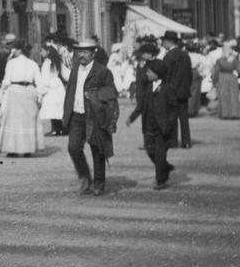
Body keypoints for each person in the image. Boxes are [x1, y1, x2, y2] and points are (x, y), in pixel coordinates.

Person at [63, 36, 119, 196]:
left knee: (97, 149)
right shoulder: (74, 70)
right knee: (73, 148)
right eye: (79, 51)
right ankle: (84, 178)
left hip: (95, 116)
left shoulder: (102, 71)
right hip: (77, 115)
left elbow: (111, 93)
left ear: (93, 53)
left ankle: (99, 183)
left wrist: (94, 95)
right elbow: (70, 92)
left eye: (85, 52)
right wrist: (66, 113)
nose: (81, 55)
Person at [126, 56, 178, 190]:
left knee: (160, 153)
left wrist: (170, 123)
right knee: (150, 151)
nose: (147, 74)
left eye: (149, 72)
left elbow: (174, 108)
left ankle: (161, 180)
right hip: (148, 124)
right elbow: (141, 104)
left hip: (163, 127)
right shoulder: (147, 87)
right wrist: (132, 118)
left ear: (157, 74)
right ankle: (164, 167)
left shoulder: (167, 88)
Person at [0, 39, 42, 156]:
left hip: (14, 91)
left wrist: (1, 94)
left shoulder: (11, 63)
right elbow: (39, 82)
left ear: (19, 50)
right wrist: (39, 96)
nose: (12, 51)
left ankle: (13, 149)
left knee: (13, 121)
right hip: (28, 91)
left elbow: (6, 81)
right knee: (27, 121)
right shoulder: (33, 64)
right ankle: (27, 149)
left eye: (14, 49)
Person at [159, 30, 195, 147]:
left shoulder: (168, 56)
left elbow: (166, 75)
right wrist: (187, 86)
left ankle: (172, 141)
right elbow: (189, 74)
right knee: (184, 118)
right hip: (183, 91)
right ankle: (186, 141)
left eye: (163, 41)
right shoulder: (185, 55)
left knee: (172, 117)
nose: (162, 44)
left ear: (168, 42)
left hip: (171, 91)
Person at [37, 38, 69, 136]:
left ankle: (55, 129)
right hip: (58, 86)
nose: (41, 52)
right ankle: (61, 128)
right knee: (58, 108)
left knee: (52, 108)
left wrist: (41, 90)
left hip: (50, 86)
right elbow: (65, 74)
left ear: (47, 51)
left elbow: (45, 78)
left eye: (42, 50)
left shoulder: (47, 63)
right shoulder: (57, 61)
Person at [213, 41, 240, 119]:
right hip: (232, 77)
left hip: (222, 78)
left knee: (223, 96)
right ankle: (234, 113)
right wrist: (239, 75)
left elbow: (216, 71)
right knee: (233, 96)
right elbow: (239, 70)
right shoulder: (234, 59)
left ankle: (225, 114)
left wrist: (214, 81)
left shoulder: (219, 60)